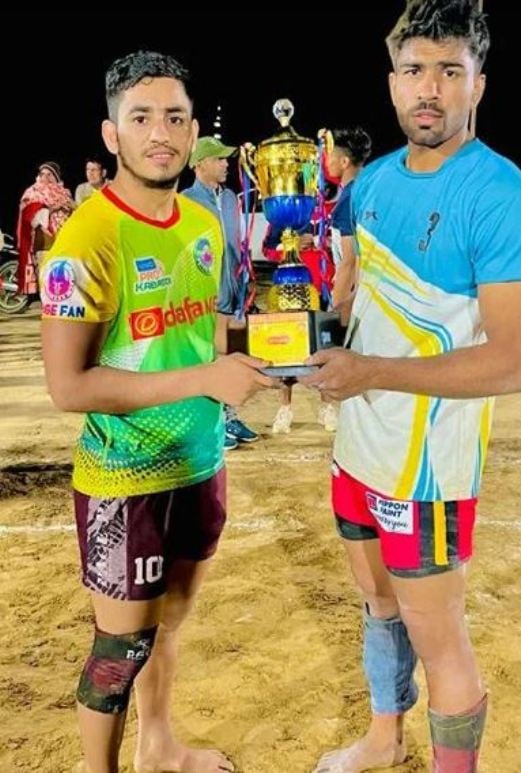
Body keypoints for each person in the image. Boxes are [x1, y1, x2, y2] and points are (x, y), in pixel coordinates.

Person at [300, 2, 521, 771]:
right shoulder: (369, 184)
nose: (429, 89)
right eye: (414, 71)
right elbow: (352, 296)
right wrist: (315, 335)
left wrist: (367, 371)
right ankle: (383, 737)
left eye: (450, 71)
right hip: (357, 443)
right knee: (378, 604)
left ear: (479, 84)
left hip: (428, 468)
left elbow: (515, 361)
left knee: (439, 638)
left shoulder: (503, 197)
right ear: (391, 83)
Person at [39, 50, 277, 773]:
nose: (160, 132)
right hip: (124, 477)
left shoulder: (201, 227)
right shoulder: (84, 237)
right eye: (140, 117)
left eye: (174, 117)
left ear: (194, 128)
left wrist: (281, 349)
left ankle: (160, 745)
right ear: (112, 135)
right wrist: (207, 373)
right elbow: (68, 386)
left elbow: (200, 335)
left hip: (200, 461)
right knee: (118, 652)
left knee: (169, 623)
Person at [182, 136, 259, 450]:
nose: (226, 164)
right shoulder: (185, 201)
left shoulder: (230, 197)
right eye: (219, 159)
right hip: (206, 294)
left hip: (234, 290)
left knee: (232, 355)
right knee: (209, 358)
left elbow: (238, 241)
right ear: (200, 164)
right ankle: (212, 425)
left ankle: (230, 417)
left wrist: (247, 275)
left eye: (226, 159)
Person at [263, 225, 337, 434]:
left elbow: (344, 245)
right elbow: (267, 250)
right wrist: (290, 245)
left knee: (323, 355)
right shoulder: (284, 218)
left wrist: (318, 240)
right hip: (287, 292)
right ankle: (285, 410)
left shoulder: (330, 210)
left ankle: (327, 408)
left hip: (321, 290)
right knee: (286, 355)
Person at [324, 127, 372, 308]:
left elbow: (349, 262)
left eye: (330, 156)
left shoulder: (349, 198)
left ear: (344, 161)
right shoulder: (367, 189)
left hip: (354, 299)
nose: (326, 162)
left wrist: (336, 313)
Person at [16, 161, 74, 296]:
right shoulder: (33, 192)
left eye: (50, 175)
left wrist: (70, 207)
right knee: (45, 272)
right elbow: (30, 214)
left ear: (56, 177)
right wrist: (54, 208)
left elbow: (72, 212)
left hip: (63, 236)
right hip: (42, 237)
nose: (45, 178)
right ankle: (46, 304)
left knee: (60, 272)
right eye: (42, 174)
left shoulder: (64, 193)